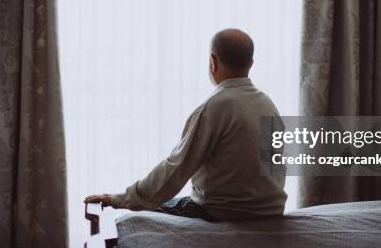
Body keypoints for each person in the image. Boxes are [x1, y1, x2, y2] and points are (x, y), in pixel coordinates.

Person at [84, 28, 286, 221]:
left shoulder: (215, 106)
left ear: (212, 62)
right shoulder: (268, 105)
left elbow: (177, 167)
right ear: (251, 63)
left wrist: (120, 199)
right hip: (269, 211)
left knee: (140, 210)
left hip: (222, 212)